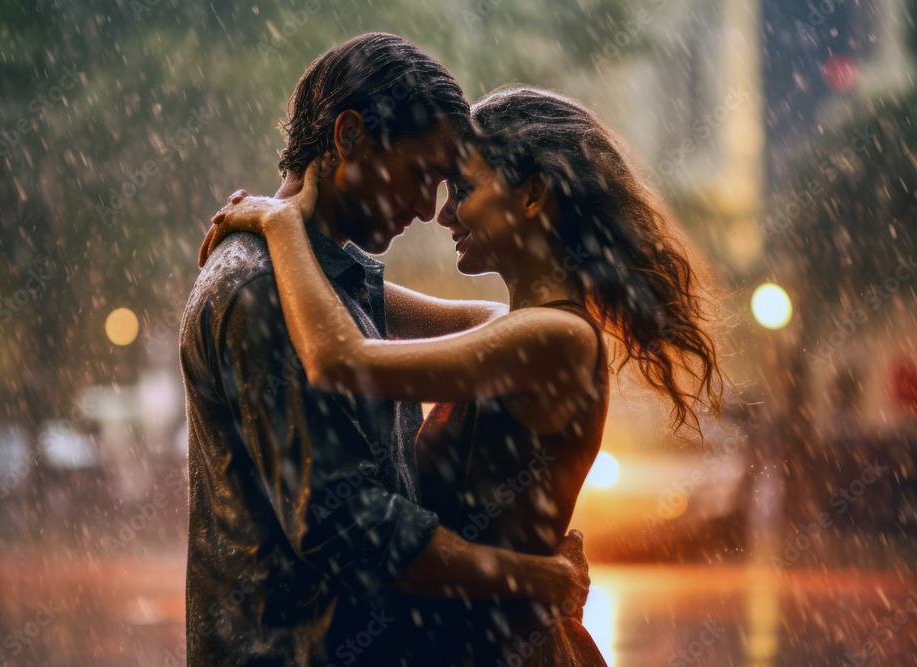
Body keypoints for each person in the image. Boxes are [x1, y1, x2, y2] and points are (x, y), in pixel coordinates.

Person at [201, 84, 727, 665]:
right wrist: (296, 228)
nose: (442, 213)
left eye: (465, 191)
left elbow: (340, 360)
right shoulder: (507, 325)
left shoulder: (553, 340)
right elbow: (358, 295)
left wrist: (281, 228)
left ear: (533, 196)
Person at [181, 35, 591, 667]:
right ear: (348, 138)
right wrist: (535, 577)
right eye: (422, 175)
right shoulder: (263, 290)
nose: (432, 209)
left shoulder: (325, 284)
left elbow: (491, 324)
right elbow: (348, 526)